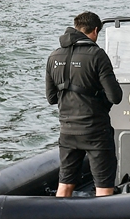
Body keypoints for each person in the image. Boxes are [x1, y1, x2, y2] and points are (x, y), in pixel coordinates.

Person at [46, 11, 123, 197]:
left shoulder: (54, 56)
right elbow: (116, 96)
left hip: (67, 131)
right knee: (104, 186)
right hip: (95, 131)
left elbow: (51, 98)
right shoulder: (97, 55)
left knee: (64, 185)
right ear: (95, 31)